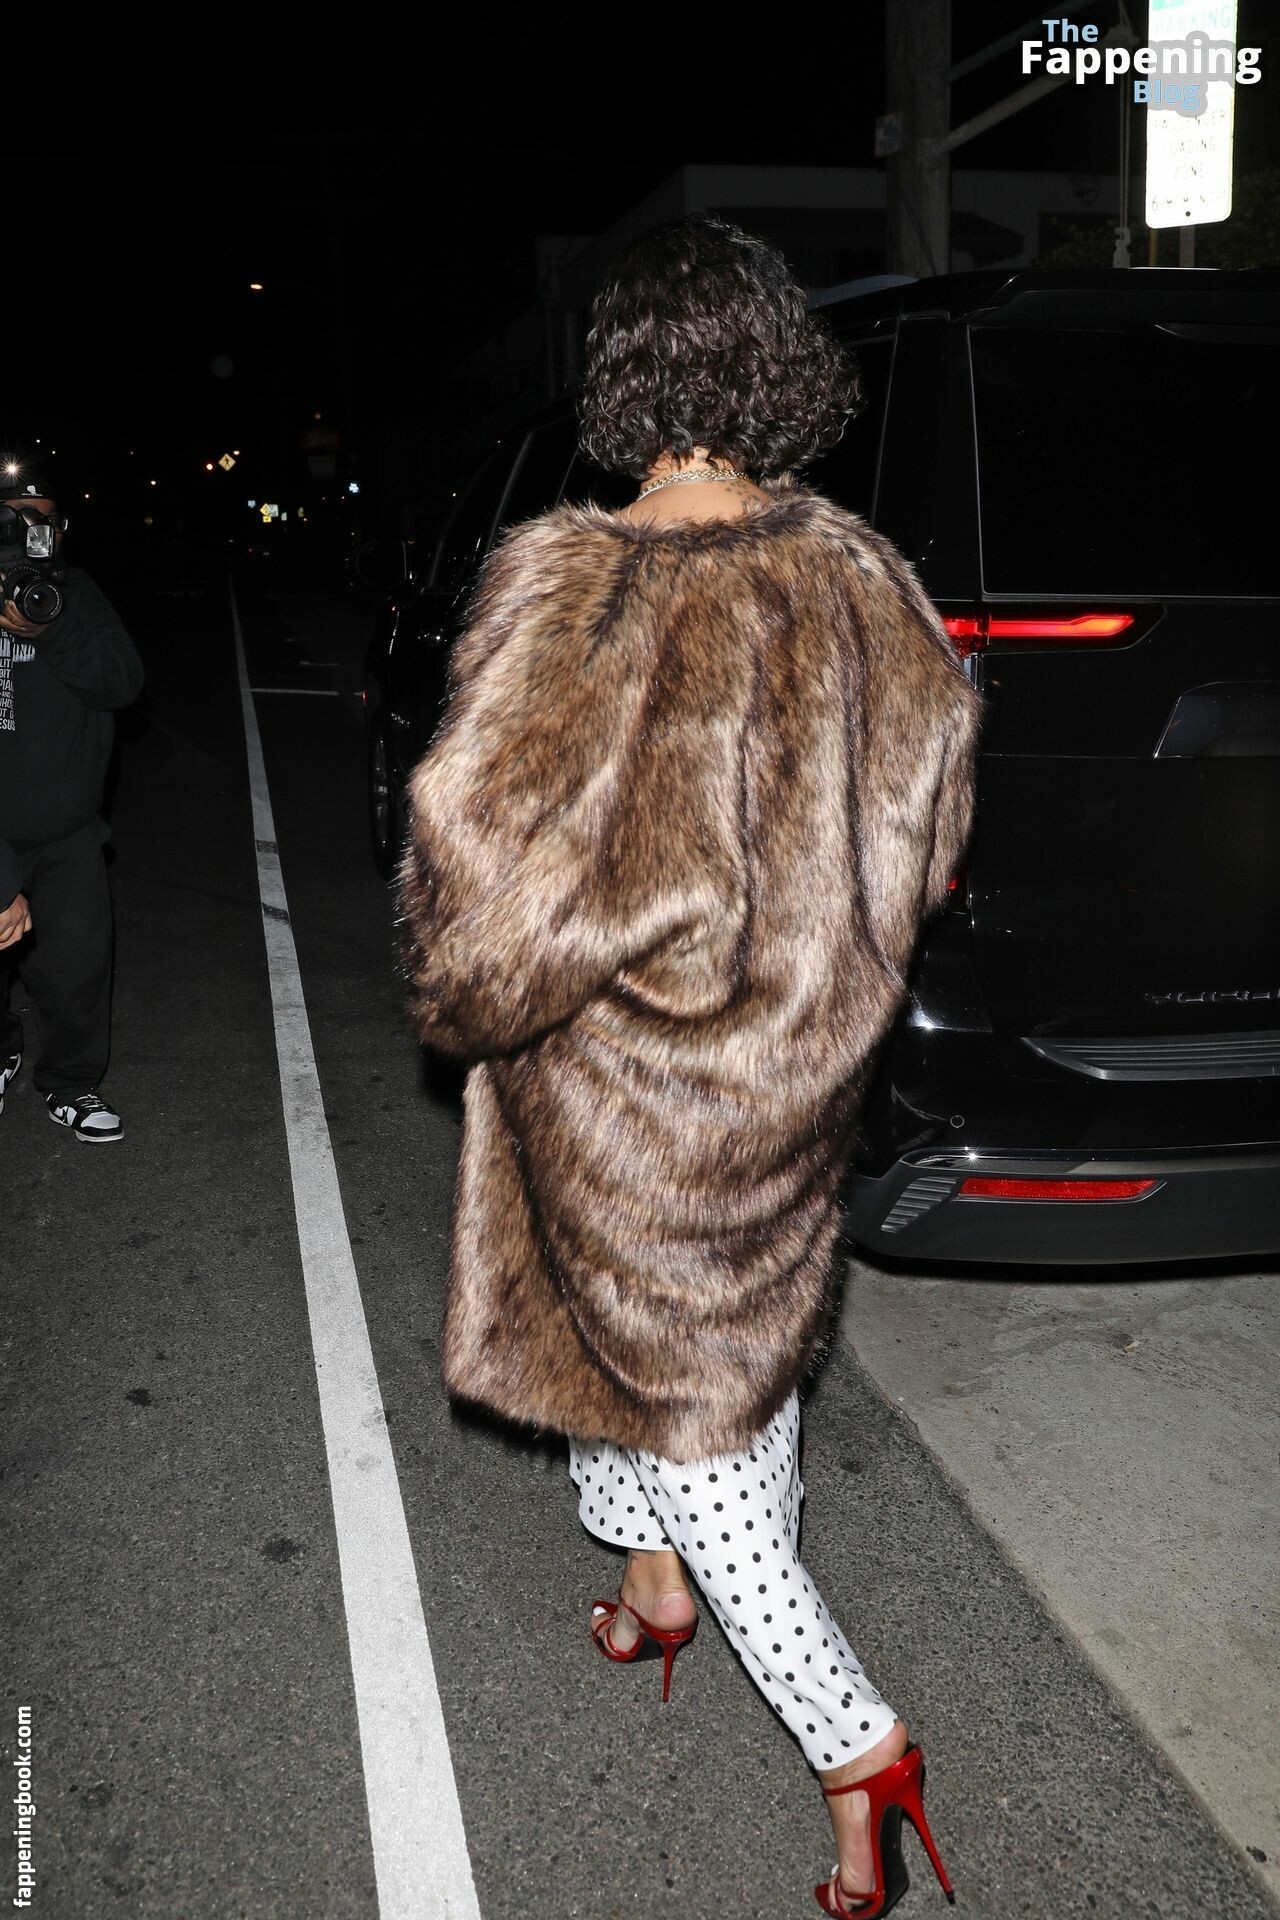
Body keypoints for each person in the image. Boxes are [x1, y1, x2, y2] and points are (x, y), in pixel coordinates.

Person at [397, 215, 982, 1917]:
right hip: (799, 1085)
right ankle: (657, 1595)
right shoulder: (862, 573)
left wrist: (476, 981)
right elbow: (932, 818)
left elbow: (483, 903)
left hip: (635, 1115)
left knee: (706, 1443)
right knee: (733, 1368)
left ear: (620, 382)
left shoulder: (578, 591)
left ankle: (862, 1750)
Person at [0, 461, 143, 1141]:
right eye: (14, 519)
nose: (33, 532)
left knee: (78, 967)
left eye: (45, 520)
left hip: (68, 831)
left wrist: (51, 632)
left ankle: (72, 1083)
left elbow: (122, 683)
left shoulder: (74, 594)